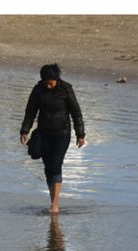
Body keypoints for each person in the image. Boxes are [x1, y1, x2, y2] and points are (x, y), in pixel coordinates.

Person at [20, 64, 86, 214]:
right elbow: (30, 112)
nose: (48, 86)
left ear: (57, 79)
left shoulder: (66, 89)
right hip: (44, 133)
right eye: (46, 83)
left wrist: (80, 134)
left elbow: (76, 113)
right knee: (48, 168)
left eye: (51, 83)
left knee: (56, 165)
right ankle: (53, 201)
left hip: (62, 134)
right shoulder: (38, 90)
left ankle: (55, 204)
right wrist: (25, 131)